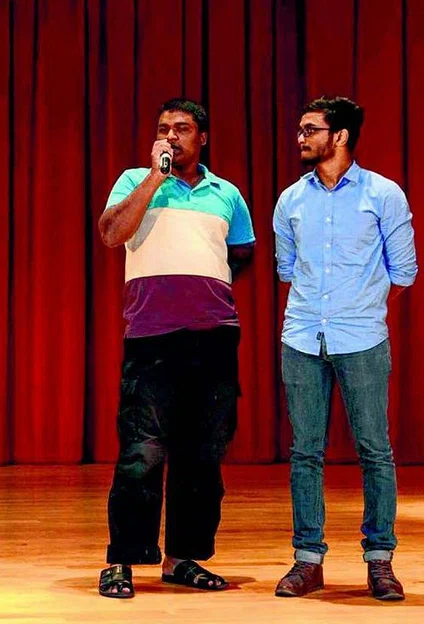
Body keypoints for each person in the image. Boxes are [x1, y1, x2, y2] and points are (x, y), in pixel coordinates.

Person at [97, 98, 255, 598]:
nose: (171, 136)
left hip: (214, 337)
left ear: (202, 137)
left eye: (182, 129)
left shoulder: (227, 193)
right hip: (152, 336)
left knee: (202, 455)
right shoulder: (134, 181)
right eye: (163, 128)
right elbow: (111, 234)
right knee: (141, 452)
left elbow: (242, 254)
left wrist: (200, 290)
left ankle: (182, 558)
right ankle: (123, 559)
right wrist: (154, 177)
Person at [273, 96, 416, 601]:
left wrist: (362, 307)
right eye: (300, 129)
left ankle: (380, 560)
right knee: (304, 452)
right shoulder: (291, 200)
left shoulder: (383, 194)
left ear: (340, 136)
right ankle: (307, 560)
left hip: (362, 339)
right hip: (302, 337)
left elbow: (403, 271)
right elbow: (287, 270)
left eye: (310, 129)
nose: (300, 138)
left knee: (375, 450)